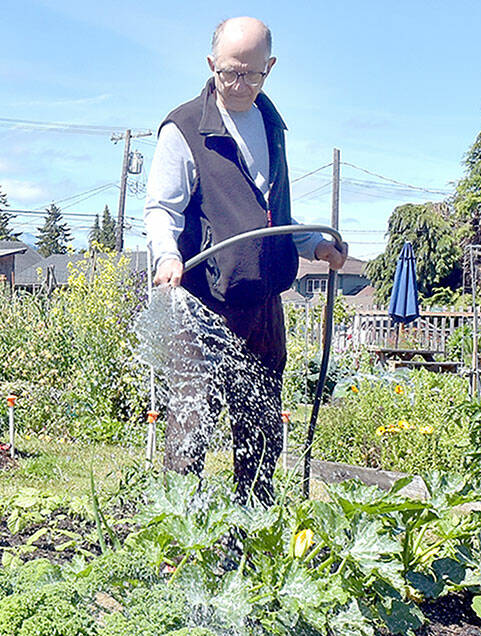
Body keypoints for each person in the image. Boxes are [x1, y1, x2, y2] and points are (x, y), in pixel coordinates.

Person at [144, 16, 347, 504]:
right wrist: (168, 255)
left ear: (269, 67)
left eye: (252, 75)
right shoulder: (185, 128)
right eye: (229, 73)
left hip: (261, 304)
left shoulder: (271, 125)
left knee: (260, 425)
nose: (239, 85)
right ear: (211, 64)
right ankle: (180, 532)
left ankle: (251, 522)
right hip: (201, 302)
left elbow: (276, 216)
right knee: (192, 422)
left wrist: (314, 247)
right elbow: (161, 208)